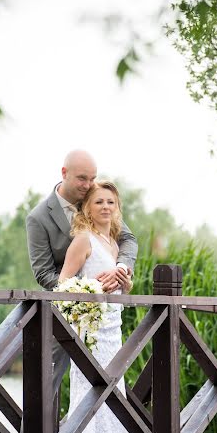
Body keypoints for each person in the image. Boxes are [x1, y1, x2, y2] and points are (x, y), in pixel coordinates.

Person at [26, 150, 138, 395]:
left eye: (92, 178)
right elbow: (44, 273)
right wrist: (84, 295)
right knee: (45, 388)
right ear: (64, 173)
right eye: (82, 178)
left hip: (106, 319)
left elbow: (127, 239)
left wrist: (120, 269)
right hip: (64, 316)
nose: (89, 185)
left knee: (104, 386)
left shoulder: (98, 200)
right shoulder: (38, 218)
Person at [57, 181, 141, 433]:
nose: (105, 207)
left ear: (116, 208)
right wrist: (93, 287)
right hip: (91, 330)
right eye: (98, 202)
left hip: (113, 329)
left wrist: (125, 283)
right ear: (88, 209)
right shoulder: (83, 240)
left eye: (110, 202)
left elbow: (122, 288)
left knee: (114, 395)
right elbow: (63, 286)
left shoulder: (114, 244)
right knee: (88, 392)